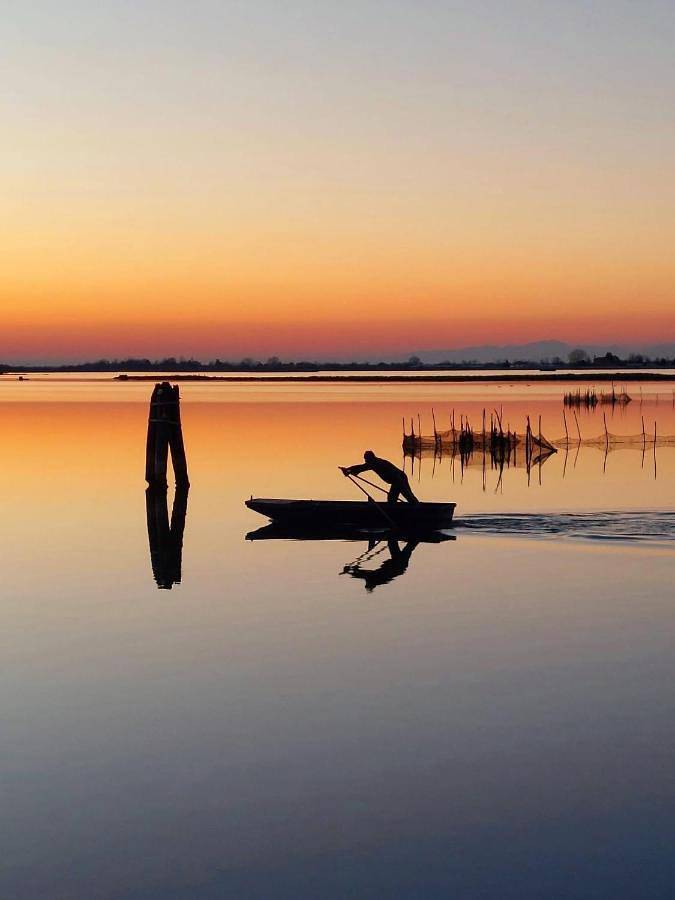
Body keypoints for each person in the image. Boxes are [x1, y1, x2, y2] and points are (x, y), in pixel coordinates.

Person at [340, 450, 419, 503]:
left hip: (398, 478)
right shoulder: (373, 462)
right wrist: (348, 470)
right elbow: (361, 467)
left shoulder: (375, 463)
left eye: (366, 459)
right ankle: (414, 506)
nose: (365, 461)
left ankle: (417, 509)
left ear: (370, 458)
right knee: (400, 498)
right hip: (399, 478)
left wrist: (349, 470)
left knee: (405, 496)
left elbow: (361, 468)